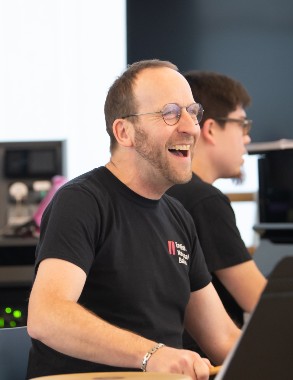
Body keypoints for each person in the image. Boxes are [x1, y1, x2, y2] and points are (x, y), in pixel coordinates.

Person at [26, 60, 240, 380]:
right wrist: (151, 355)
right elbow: (46, 316)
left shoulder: (178, 217)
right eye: (170, 113)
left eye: (193, 112)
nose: (191, 126)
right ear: (124, 132)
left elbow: (222, 338)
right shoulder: (82, 201)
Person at [166, 71, 267, 355]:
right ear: (210, 129)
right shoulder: (204, 200)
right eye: (242, 125)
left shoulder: (169, 191)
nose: (247, 139)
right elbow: (260, 301)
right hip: (208, 361)